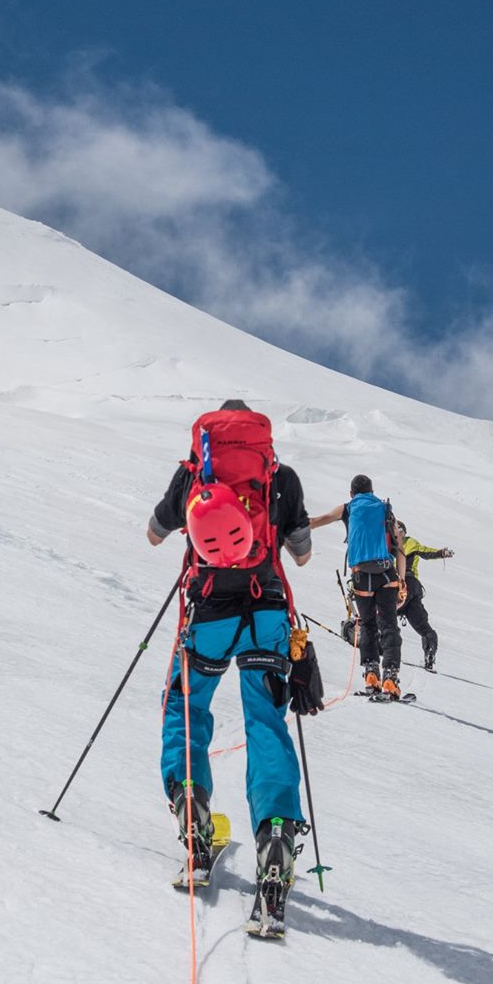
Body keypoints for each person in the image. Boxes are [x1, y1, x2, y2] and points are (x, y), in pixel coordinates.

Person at [147, 400, 316, 937]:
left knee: (186, 708)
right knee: (265, 725)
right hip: (266, 614)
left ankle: (194, 823)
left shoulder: (195, 472)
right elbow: (304, 555)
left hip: (207, 616)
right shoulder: (280, 476)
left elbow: (154, 533)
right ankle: (275, 847)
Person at [308, 474, 407, 701]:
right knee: (390, 625)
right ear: (372, 492)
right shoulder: (385, 510)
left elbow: (318, 520)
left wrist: (290, 524)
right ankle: (390, 678)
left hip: (361, 577)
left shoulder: (348, 508)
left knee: (368, 624)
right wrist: (401, 581)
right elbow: (400, 548)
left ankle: (371, 675)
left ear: (352, 493)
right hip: (386, 576)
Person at [396, 519, 454, 672]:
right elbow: (426, 552)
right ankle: (429, 654)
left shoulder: (397, 544)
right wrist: (441, 553)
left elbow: (425, 552)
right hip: (414, 587)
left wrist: (440, 553)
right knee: (422, 624)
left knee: (385, 613)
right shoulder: (408, 542)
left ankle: (376, 643)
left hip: (403, 583)